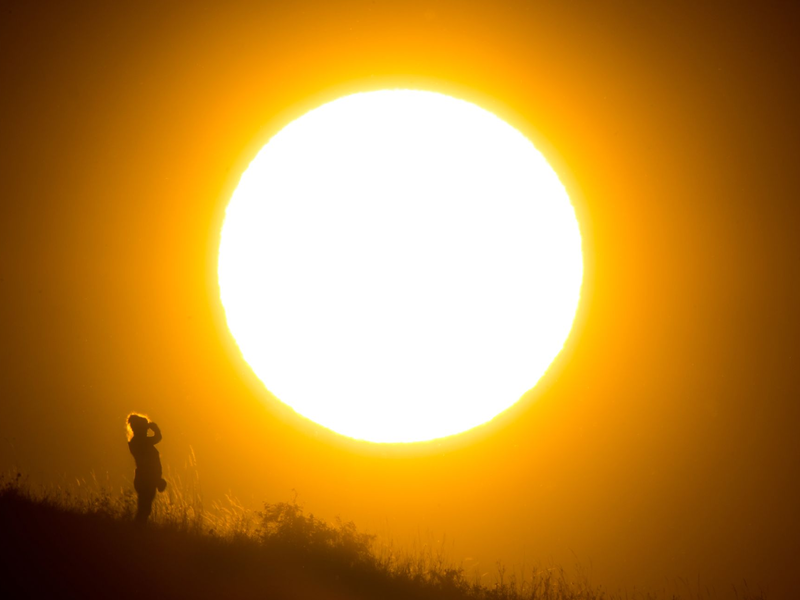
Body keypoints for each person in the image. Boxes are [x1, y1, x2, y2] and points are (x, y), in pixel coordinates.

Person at [126, 413, 167, 525]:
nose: (146, 430)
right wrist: (155, 428)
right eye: (144, 427)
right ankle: (138, 530)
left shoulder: (137, 442)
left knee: (144, 507)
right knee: (144, 508)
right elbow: (158, 438)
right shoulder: (140, 442)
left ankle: (138, 529)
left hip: (144, 478)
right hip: (146, 479)